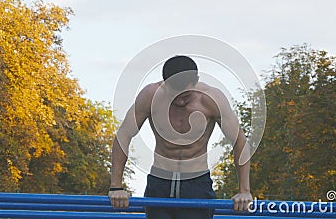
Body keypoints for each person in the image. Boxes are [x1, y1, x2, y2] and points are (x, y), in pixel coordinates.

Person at [108, 55, 252, 219]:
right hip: (159, 182)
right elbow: (123, 136)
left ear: (196, 80)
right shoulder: (150, 96)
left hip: (197, 184)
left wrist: (244, 191)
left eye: (186, 95)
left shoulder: (211, 99)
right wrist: (116, 187)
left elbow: (240, 142)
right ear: (165, 83)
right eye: (175, 95)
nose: (181, 101)